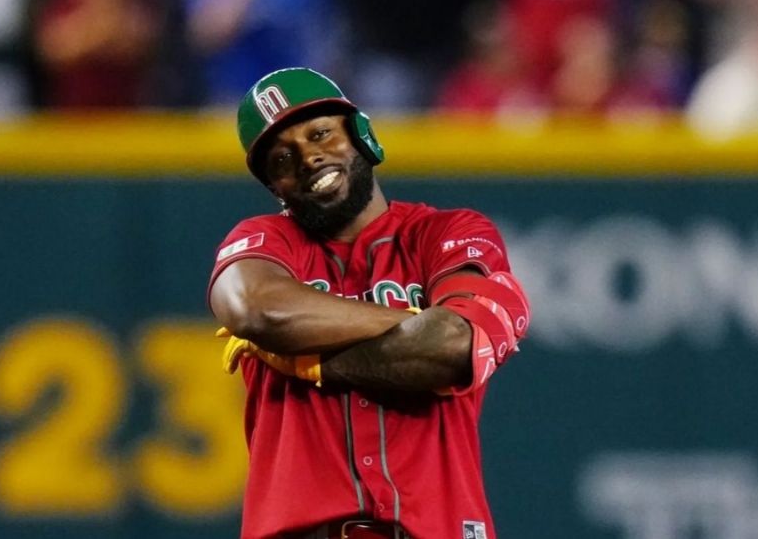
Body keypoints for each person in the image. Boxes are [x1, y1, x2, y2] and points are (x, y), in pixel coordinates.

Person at [207, 67, 531, 539]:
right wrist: (412, 324)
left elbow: (451, 347)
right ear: (274, 188)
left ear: (361, 135)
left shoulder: (448, 234)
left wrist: (309, 360)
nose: (309, 158)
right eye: (282, 158)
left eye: (320, 134)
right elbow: (255, 309)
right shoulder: (265, 241)